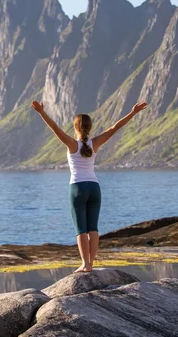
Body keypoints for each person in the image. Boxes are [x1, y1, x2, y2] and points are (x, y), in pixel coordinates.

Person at [31, 100, 148, 273]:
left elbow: (54, 127)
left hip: (77, 188)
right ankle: (91, 263)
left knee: (81, 229)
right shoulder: (95, 143)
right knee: (93, 228)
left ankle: (85, 264)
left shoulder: (72, 144)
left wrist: (41, 112)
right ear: (89, 127)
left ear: (76, 127)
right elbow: (115, 127)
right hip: (94, 188)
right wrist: (133, 112)